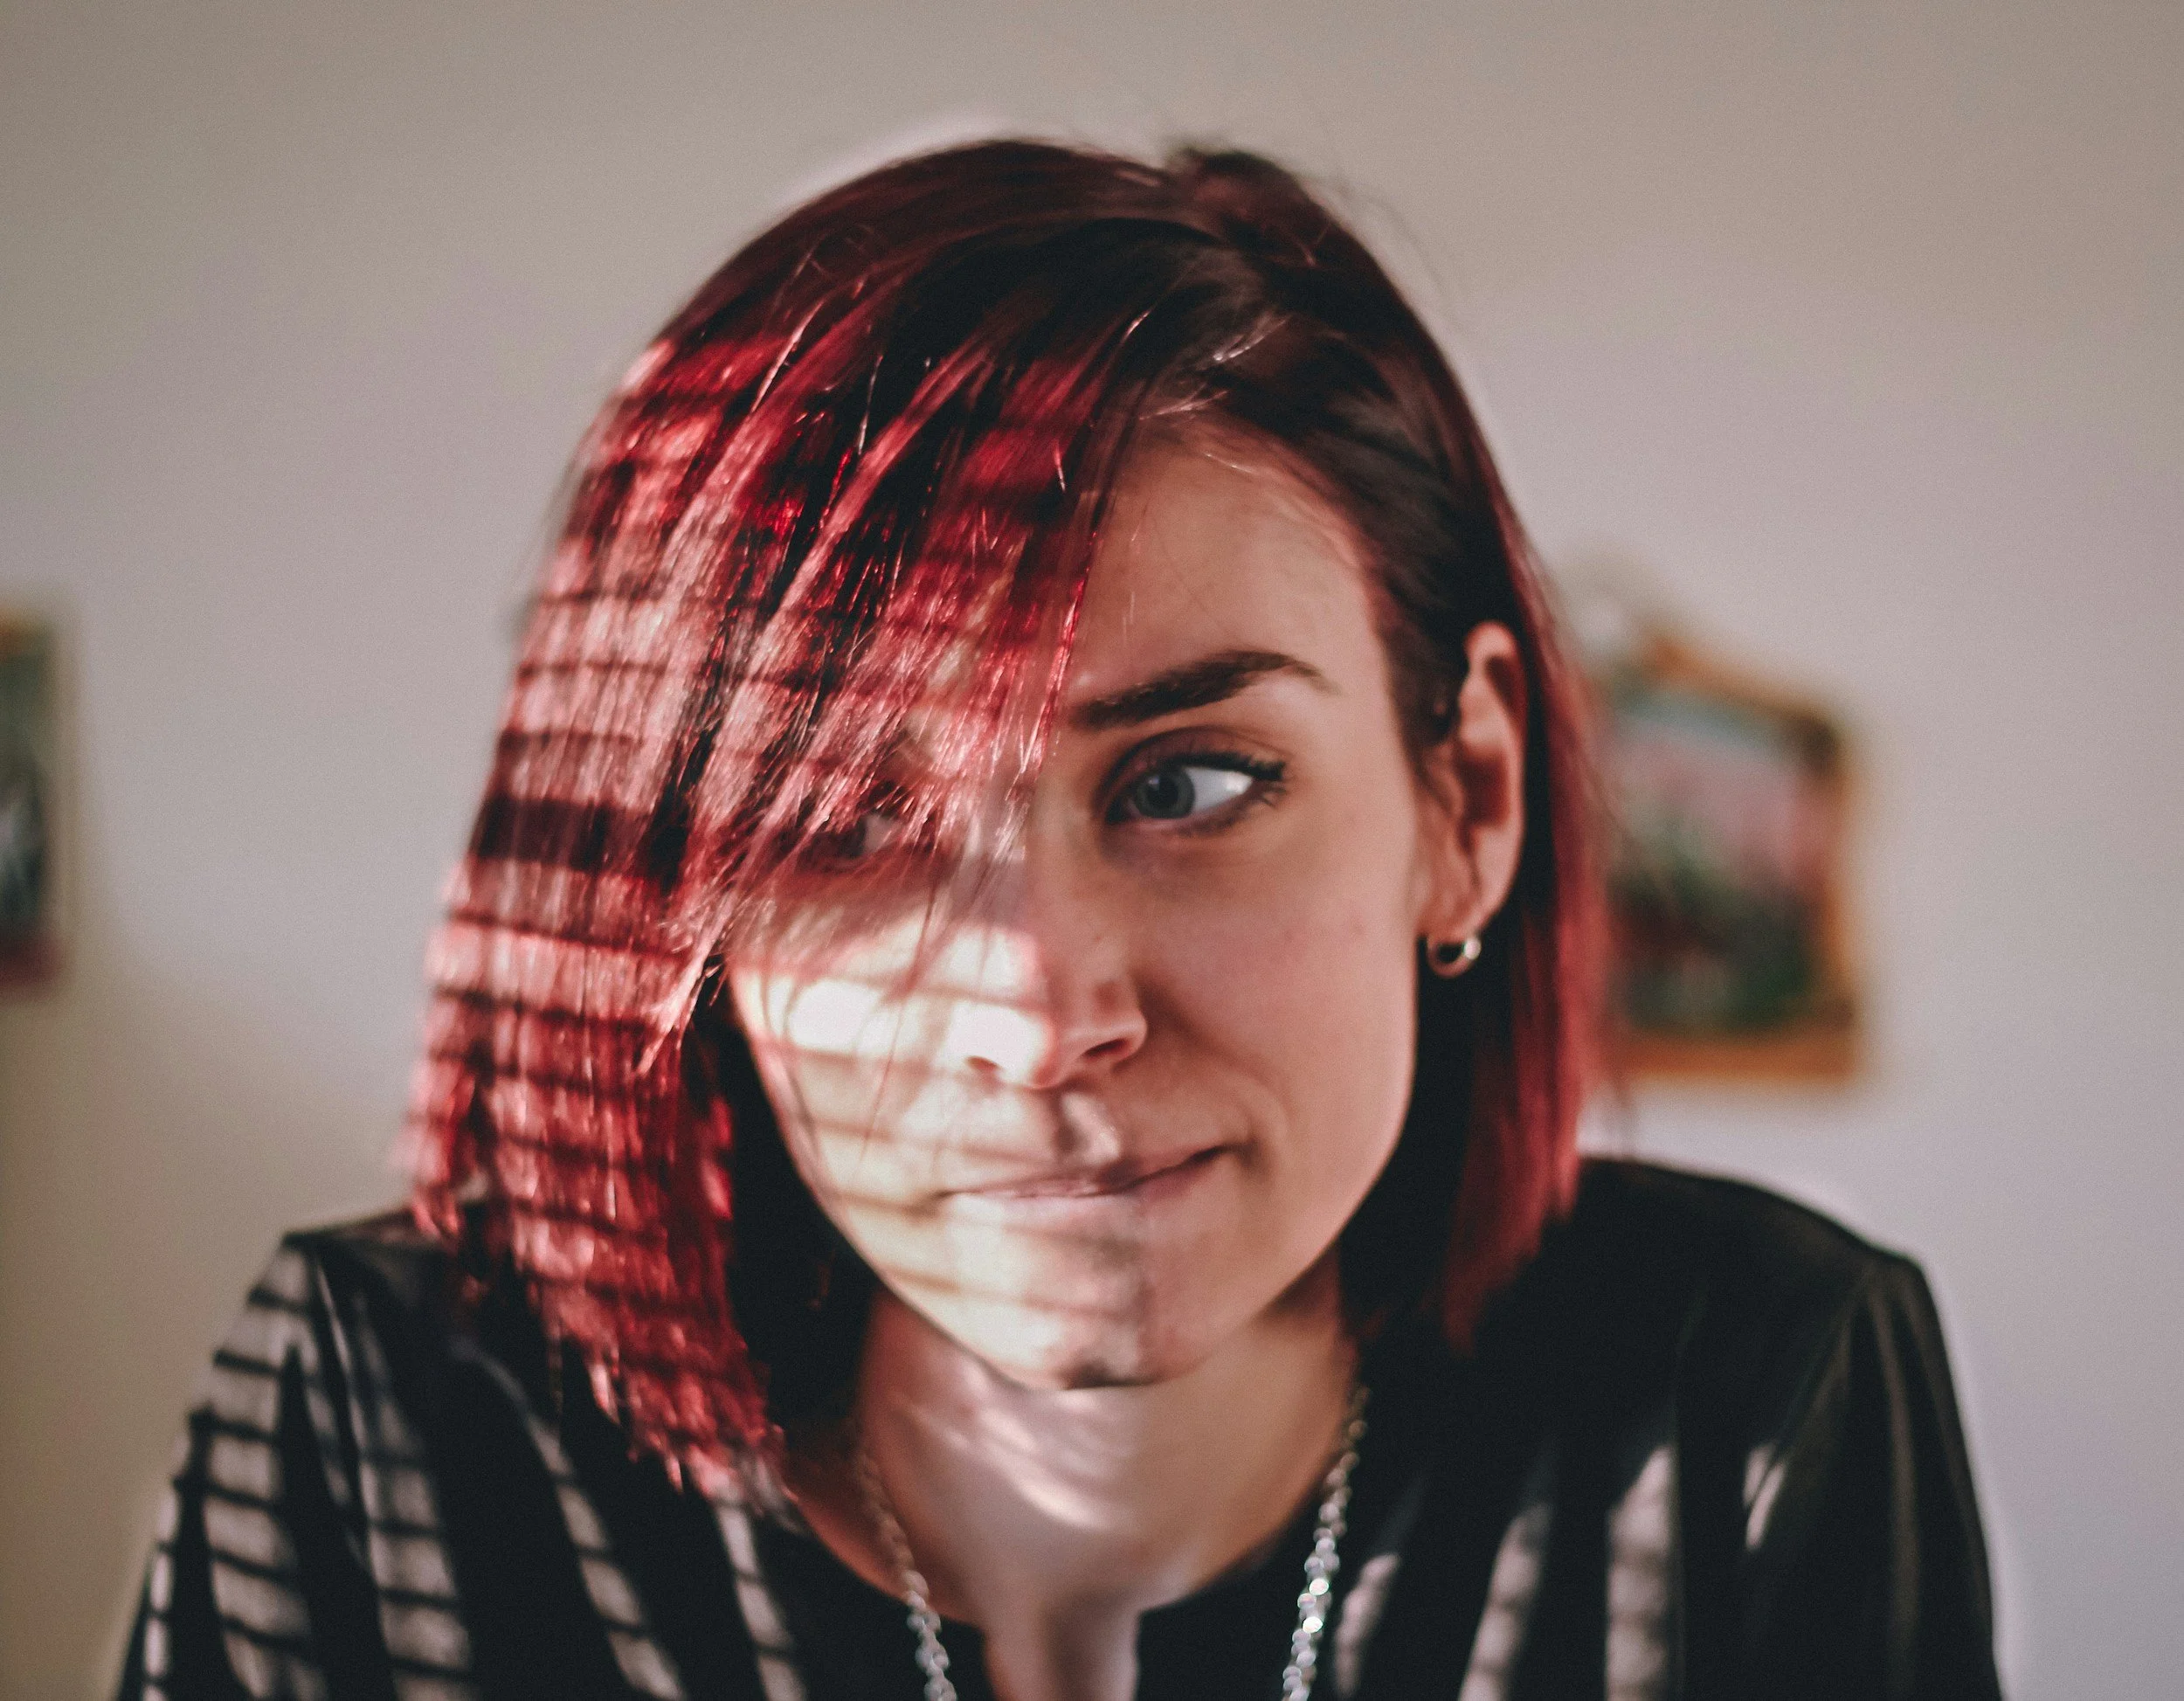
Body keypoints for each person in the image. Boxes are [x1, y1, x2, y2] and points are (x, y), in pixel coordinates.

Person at [117, 141, 2002, 1701]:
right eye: (847, 821)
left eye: (1188, 782)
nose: (1038, 1012)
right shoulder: (391, 1435)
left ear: (1466, 801)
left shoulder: (1747, 1393)